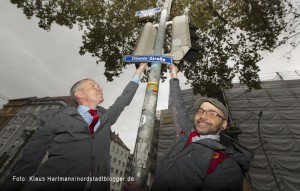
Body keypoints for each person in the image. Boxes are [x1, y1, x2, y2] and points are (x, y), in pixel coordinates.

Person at [0, 63, 148, 191]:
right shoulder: (56, 118)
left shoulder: (106, 117)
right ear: (79, 94)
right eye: (93, 85)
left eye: (98, 85)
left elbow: (123, 100)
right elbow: (28, 161)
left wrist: (139, 71)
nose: (99, 87)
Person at [124, 65, 254, 191]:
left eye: (212, 113)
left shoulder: (225, 164)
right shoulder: (186, 131)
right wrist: (174, 76)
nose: (203, 116)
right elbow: (178, 105)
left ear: (224, 124)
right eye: (201, 111)